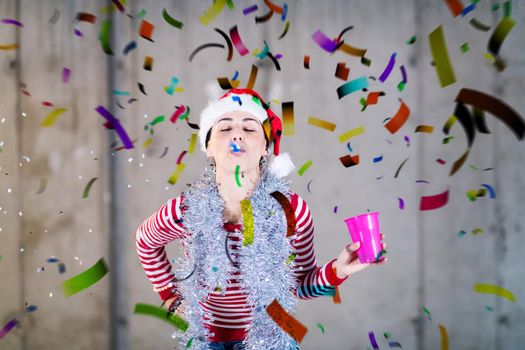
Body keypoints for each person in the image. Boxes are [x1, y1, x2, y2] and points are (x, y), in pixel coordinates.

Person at [135, 88, 386, 350]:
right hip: (204, 340)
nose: (237, 133)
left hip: (276, 336)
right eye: (224, 127)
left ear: (265, 149)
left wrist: (339, 271)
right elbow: (145, 241)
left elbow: (300, 286)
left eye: (250, 127)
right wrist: (170, 297)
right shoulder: (185, 210)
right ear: (208, 148)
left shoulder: (290, 209)